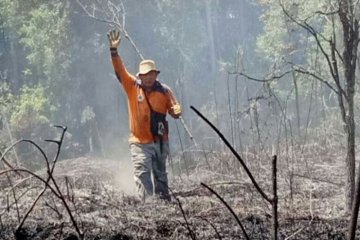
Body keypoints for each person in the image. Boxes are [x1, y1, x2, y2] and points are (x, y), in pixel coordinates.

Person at [107, 30, 182, 201]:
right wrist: (114, 51)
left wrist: (178, 110)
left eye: (151, 74)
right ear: (140, 76)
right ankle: (148, 206)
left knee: (161, 174)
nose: (148, 78)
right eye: (145, 75)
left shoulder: (164, 91)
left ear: (156, 74)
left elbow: (174, 109)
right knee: (142, 173)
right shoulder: (132, 86)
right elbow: (120, 70)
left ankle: (163, 203)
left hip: (160, 141)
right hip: (139, 142)